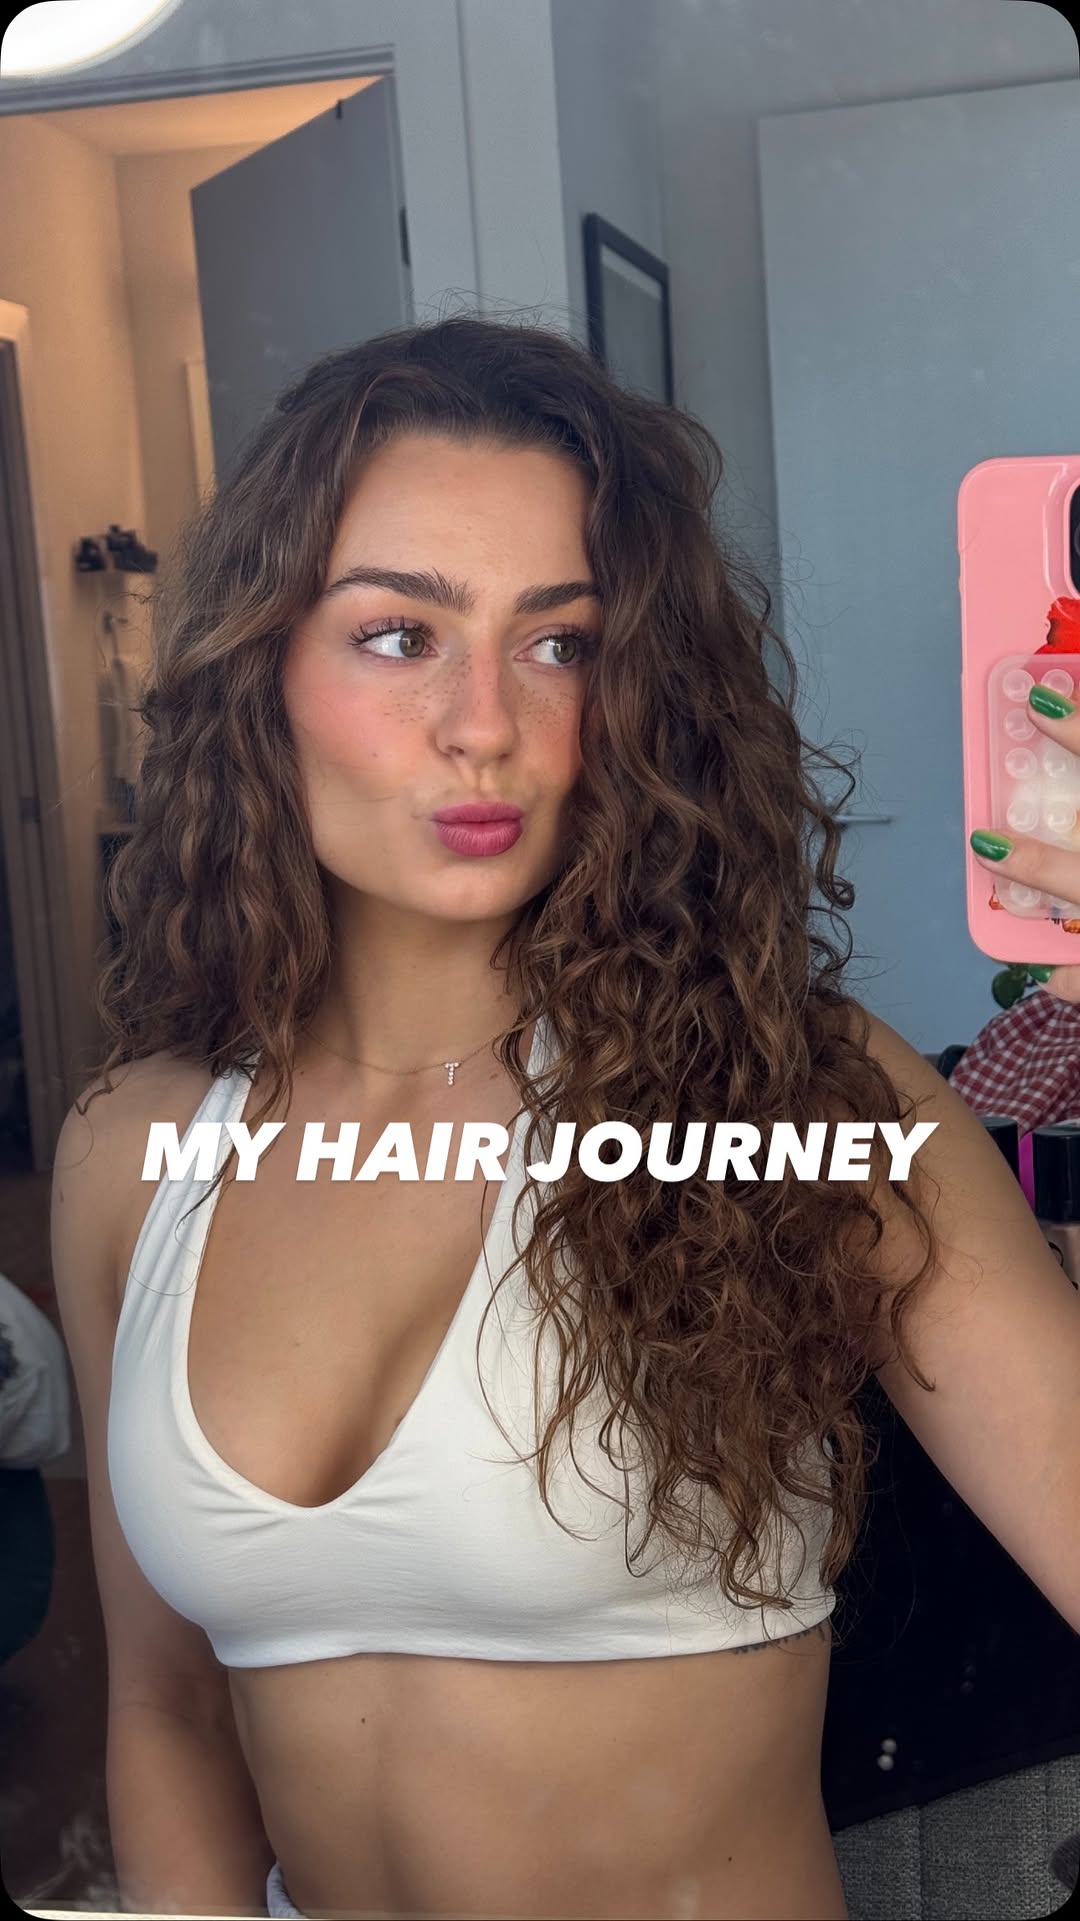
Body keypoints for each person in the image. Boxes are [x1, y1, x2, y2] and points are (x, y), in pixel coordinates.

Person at [50, 315, 1080, 1921]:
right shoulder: (133, 1147)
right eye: (400, 633)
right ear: (263, 669)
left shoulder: (800, 1097)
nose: (484, 723)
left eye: (562, 643)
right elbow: (166, 1708)